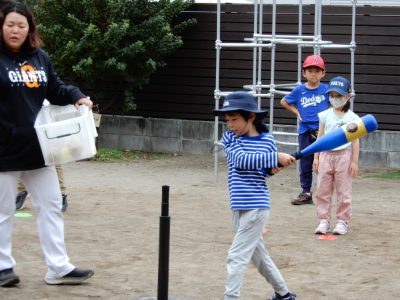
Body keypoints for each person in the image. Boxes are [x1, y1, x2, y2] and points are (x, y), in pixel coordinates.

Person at [0, 2, 94, 287]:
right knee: (2, 212)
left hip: (38, 147)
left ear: (29, 29)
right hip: (3, 150)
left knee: (51, 204)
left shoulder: (39, 58)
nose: (15, 30)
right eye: (10, 24)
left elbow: (55, 88)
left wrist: (77, 95)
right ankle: (3, 267)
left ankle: (58, 267)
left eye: (21, 25)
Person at [214, 92, 296, 300]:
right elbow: (241, 161)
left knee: (236, 256)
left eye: (235, 119)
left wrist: (274, 168)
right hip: (237, 205)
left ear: (250, 117)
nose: (230, 125)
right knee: (258, 256)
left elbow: (263, 172)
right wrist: (275, 157)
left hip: (256, 206)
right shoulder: (230, 138)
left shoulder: (268, 141)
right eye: (228, 120)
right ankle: (283, 294)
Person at [313, 76, 360, 235]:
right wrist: (316, 157)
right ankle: (323, 220)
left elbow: (355, 141)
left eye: (339, 96)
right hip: (326, 155)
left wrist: (354, 161)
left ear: (348, 96)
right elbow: (319, 138)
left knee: (343, 191)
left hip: (344, 157)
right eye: (331, 95)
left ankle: (342, 221)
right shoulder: (324, 115)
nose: (335, 99)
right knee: (322, 190)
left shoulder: (352, 118)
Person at [280, 54, 329, 205]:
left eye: (317, 70)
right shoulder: (299, 90)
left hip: (322, 131)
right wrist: (296, 112)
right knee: (306, 162)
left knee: (324, 162)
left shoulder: (327, 89)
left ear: (323, 73)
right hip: (305, 131)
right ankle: (306, 192)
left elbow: (340, 98)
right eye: (310, 70)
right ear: (304, 73)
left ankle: (324, 193)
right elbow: (284, 101)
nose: (313, 73)